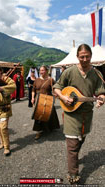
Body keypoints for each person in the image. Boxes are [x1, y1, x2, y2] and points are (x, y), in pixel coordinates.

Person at [53, 44, 105, 185]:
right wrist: (64, 98)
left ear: (91, 56)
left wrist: (101, 99)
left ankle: (74, 155)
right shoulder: (69, 72)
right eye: (81, 56)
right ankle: (73, 174)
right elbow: (57, 87)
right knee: (72, 146)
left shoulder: (95, 74)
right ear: (77, 57)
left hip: (87, 115)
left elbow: (101, 91)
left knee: (81, 139)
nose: (84, 59)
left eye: (87, 56)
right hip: (71, 114)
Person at [31, 65, 60, 140]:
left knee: (50, 114)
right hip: (39, 99)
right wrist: (32, 98)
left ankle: (50, 127)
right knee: (38, 115)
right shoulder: (36, 80)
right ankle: (38, 131)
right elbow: (33, 90)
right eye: (40, 70)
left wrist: (56, 94)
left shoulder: (51, 80)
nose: (41, 72)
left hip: (48, 99)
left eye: (43, 70)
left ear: (46, 71)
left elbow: (55, 89)